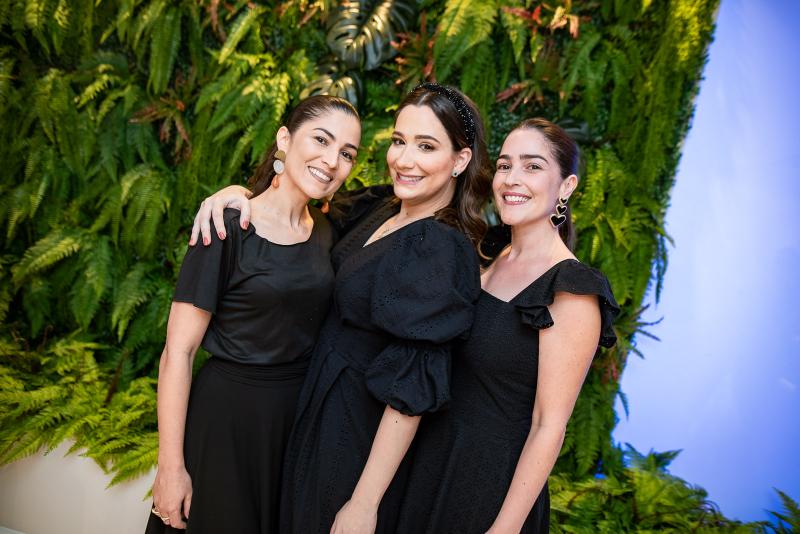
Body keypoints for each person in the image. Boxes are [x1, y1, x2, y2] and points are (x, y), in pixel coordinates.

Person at [188, 83, 492, 533]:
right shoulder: (381, 207)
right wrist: (233, 195)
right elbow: (297, 199)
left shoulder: (441, 248)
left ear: (460, 160)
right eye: (399, 141)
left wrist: (364, 503)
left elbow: (411, 392)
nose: (404, 159)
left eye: (426, 146)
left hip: (354, 441)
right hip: (308, 417)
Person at [144, 95, 361, 534]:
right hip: (227, 422)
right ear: (284, 138)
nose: (332, 160)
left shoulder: (329, 229)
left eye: (347, 153)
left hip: (294, 425)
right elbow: (178, 353)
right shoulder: (225, 227)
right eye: (321, 140)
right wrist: (170, 467)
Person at [395, 118, 620, 533]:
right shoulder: (485, 253)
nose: (512, 178)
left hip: (486, 491)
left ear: (566, 186)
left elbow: (548, 426)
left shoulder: (572, 290)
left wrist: (505, 528)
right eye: (504, 165)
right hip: (424, 464)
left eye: (532, 166)